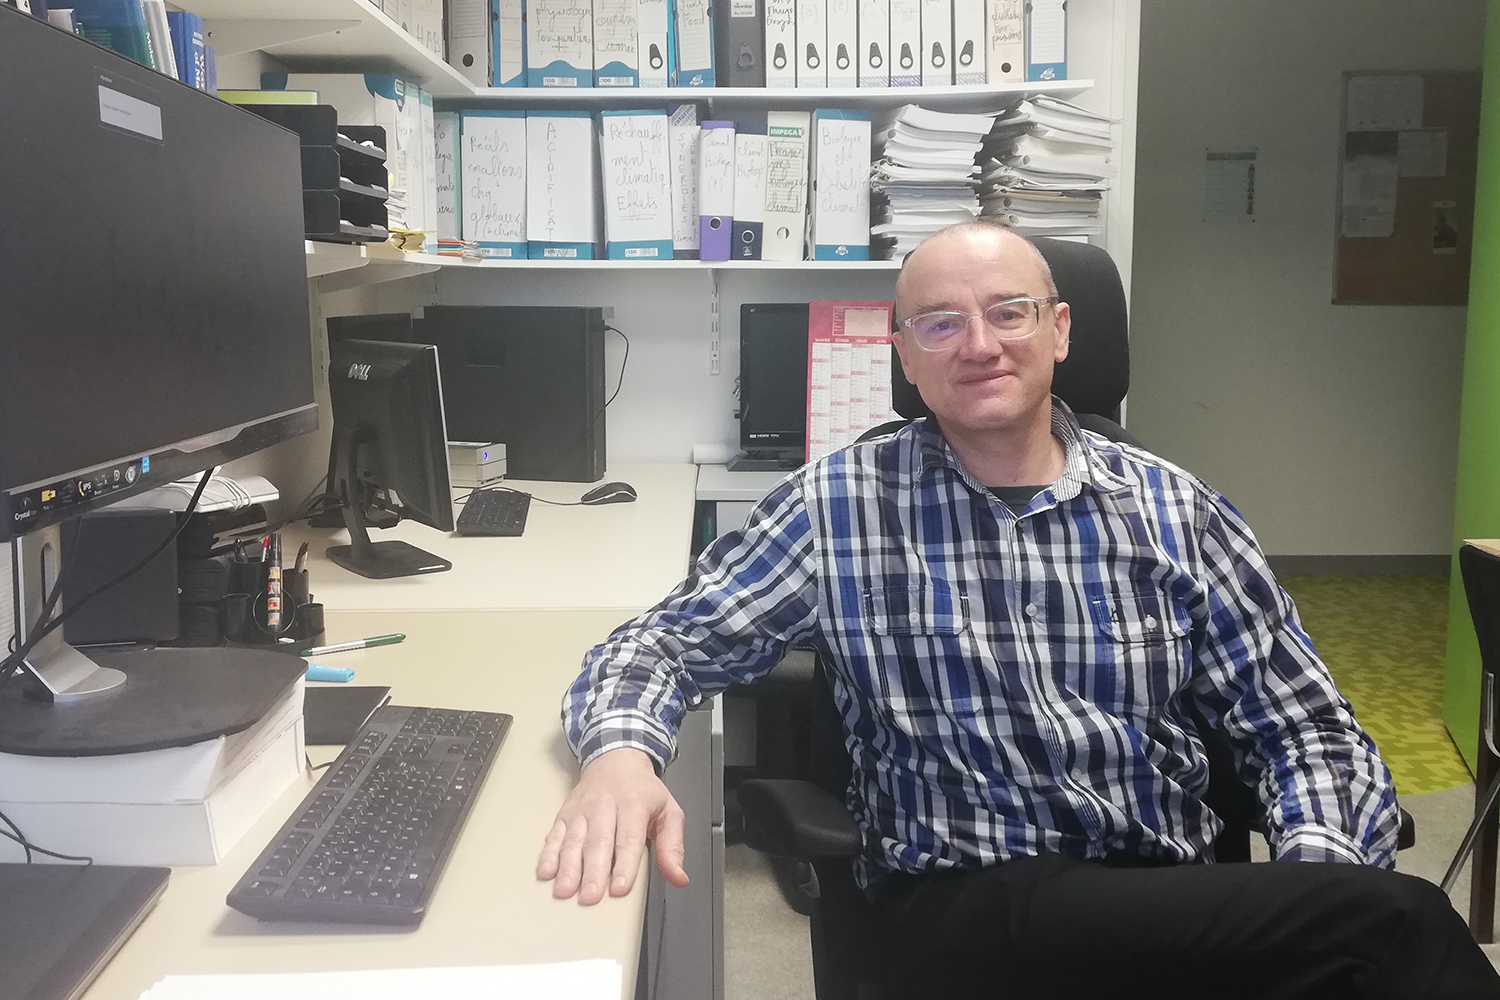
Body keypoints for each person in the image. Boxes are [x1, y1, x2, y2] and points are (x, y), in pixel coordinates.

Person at [537, 222, 1499, 997]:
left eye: (1009, 312)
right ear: (904, 355)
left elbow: (1308, 731)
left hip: (1163, 890)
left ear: (1061, 331)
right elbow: (661, 644)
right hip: (956, 901)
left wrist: (1311, 878)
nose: (982, 344)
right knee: (1396, 933)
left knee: (1362, 927)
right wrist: (622, 756)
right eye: (942, 324)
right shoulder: (838, 505)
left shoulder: (1174, 510)